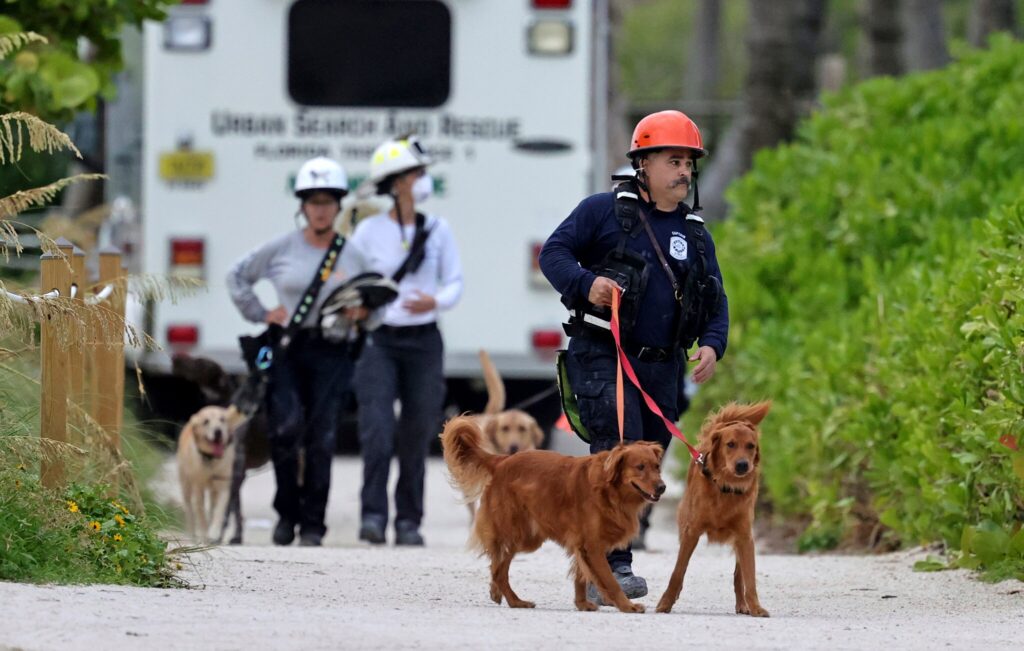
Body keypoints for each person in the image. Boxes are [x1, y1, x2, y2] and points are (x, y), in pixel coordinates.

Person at [539, 110, 729, 602]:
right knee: (617, 454)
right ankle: (610, 570)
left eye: (689, 162)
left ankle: (602, 563)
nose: (684, 171)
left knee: (648, 463)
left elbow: (715, 298)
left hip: (663, 366)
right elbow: (553, 253)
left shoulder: (696, 233)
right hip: (604, 355)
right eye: (673, 160)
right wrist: (587, 283)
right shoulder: (603, 211)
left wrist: (712, 343)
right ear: (643, 163)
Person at [226, 156, 360, 547]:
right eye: (313, 201)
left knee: (322, 434)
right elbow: (237, 276)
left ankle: (314, 523)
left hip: (332, 349)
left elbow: (376, 301)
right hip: (286, 347)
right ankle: (286, 513)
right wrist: (262, 312)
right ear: (301, 206)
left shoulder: (351, 255)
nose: (320, 209)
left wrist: (362, 312)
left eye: (328, 201)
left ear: (338, 206)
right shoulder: (281, 248)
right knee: (284, 428)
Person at [346, 136, 464, 546]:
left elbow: (455, 282)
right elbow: (350, 282)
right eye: (417, 173)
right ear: (396, 182)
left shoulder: (438, 230)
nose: (423, 180)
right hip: (380, 341)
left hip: (425, 342)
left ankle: (409, 520)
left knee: (418, 432)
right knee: (376, 430)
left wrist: (435, 300)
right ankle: (373, 516)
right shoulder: (368, 232)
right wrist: (357, 308)